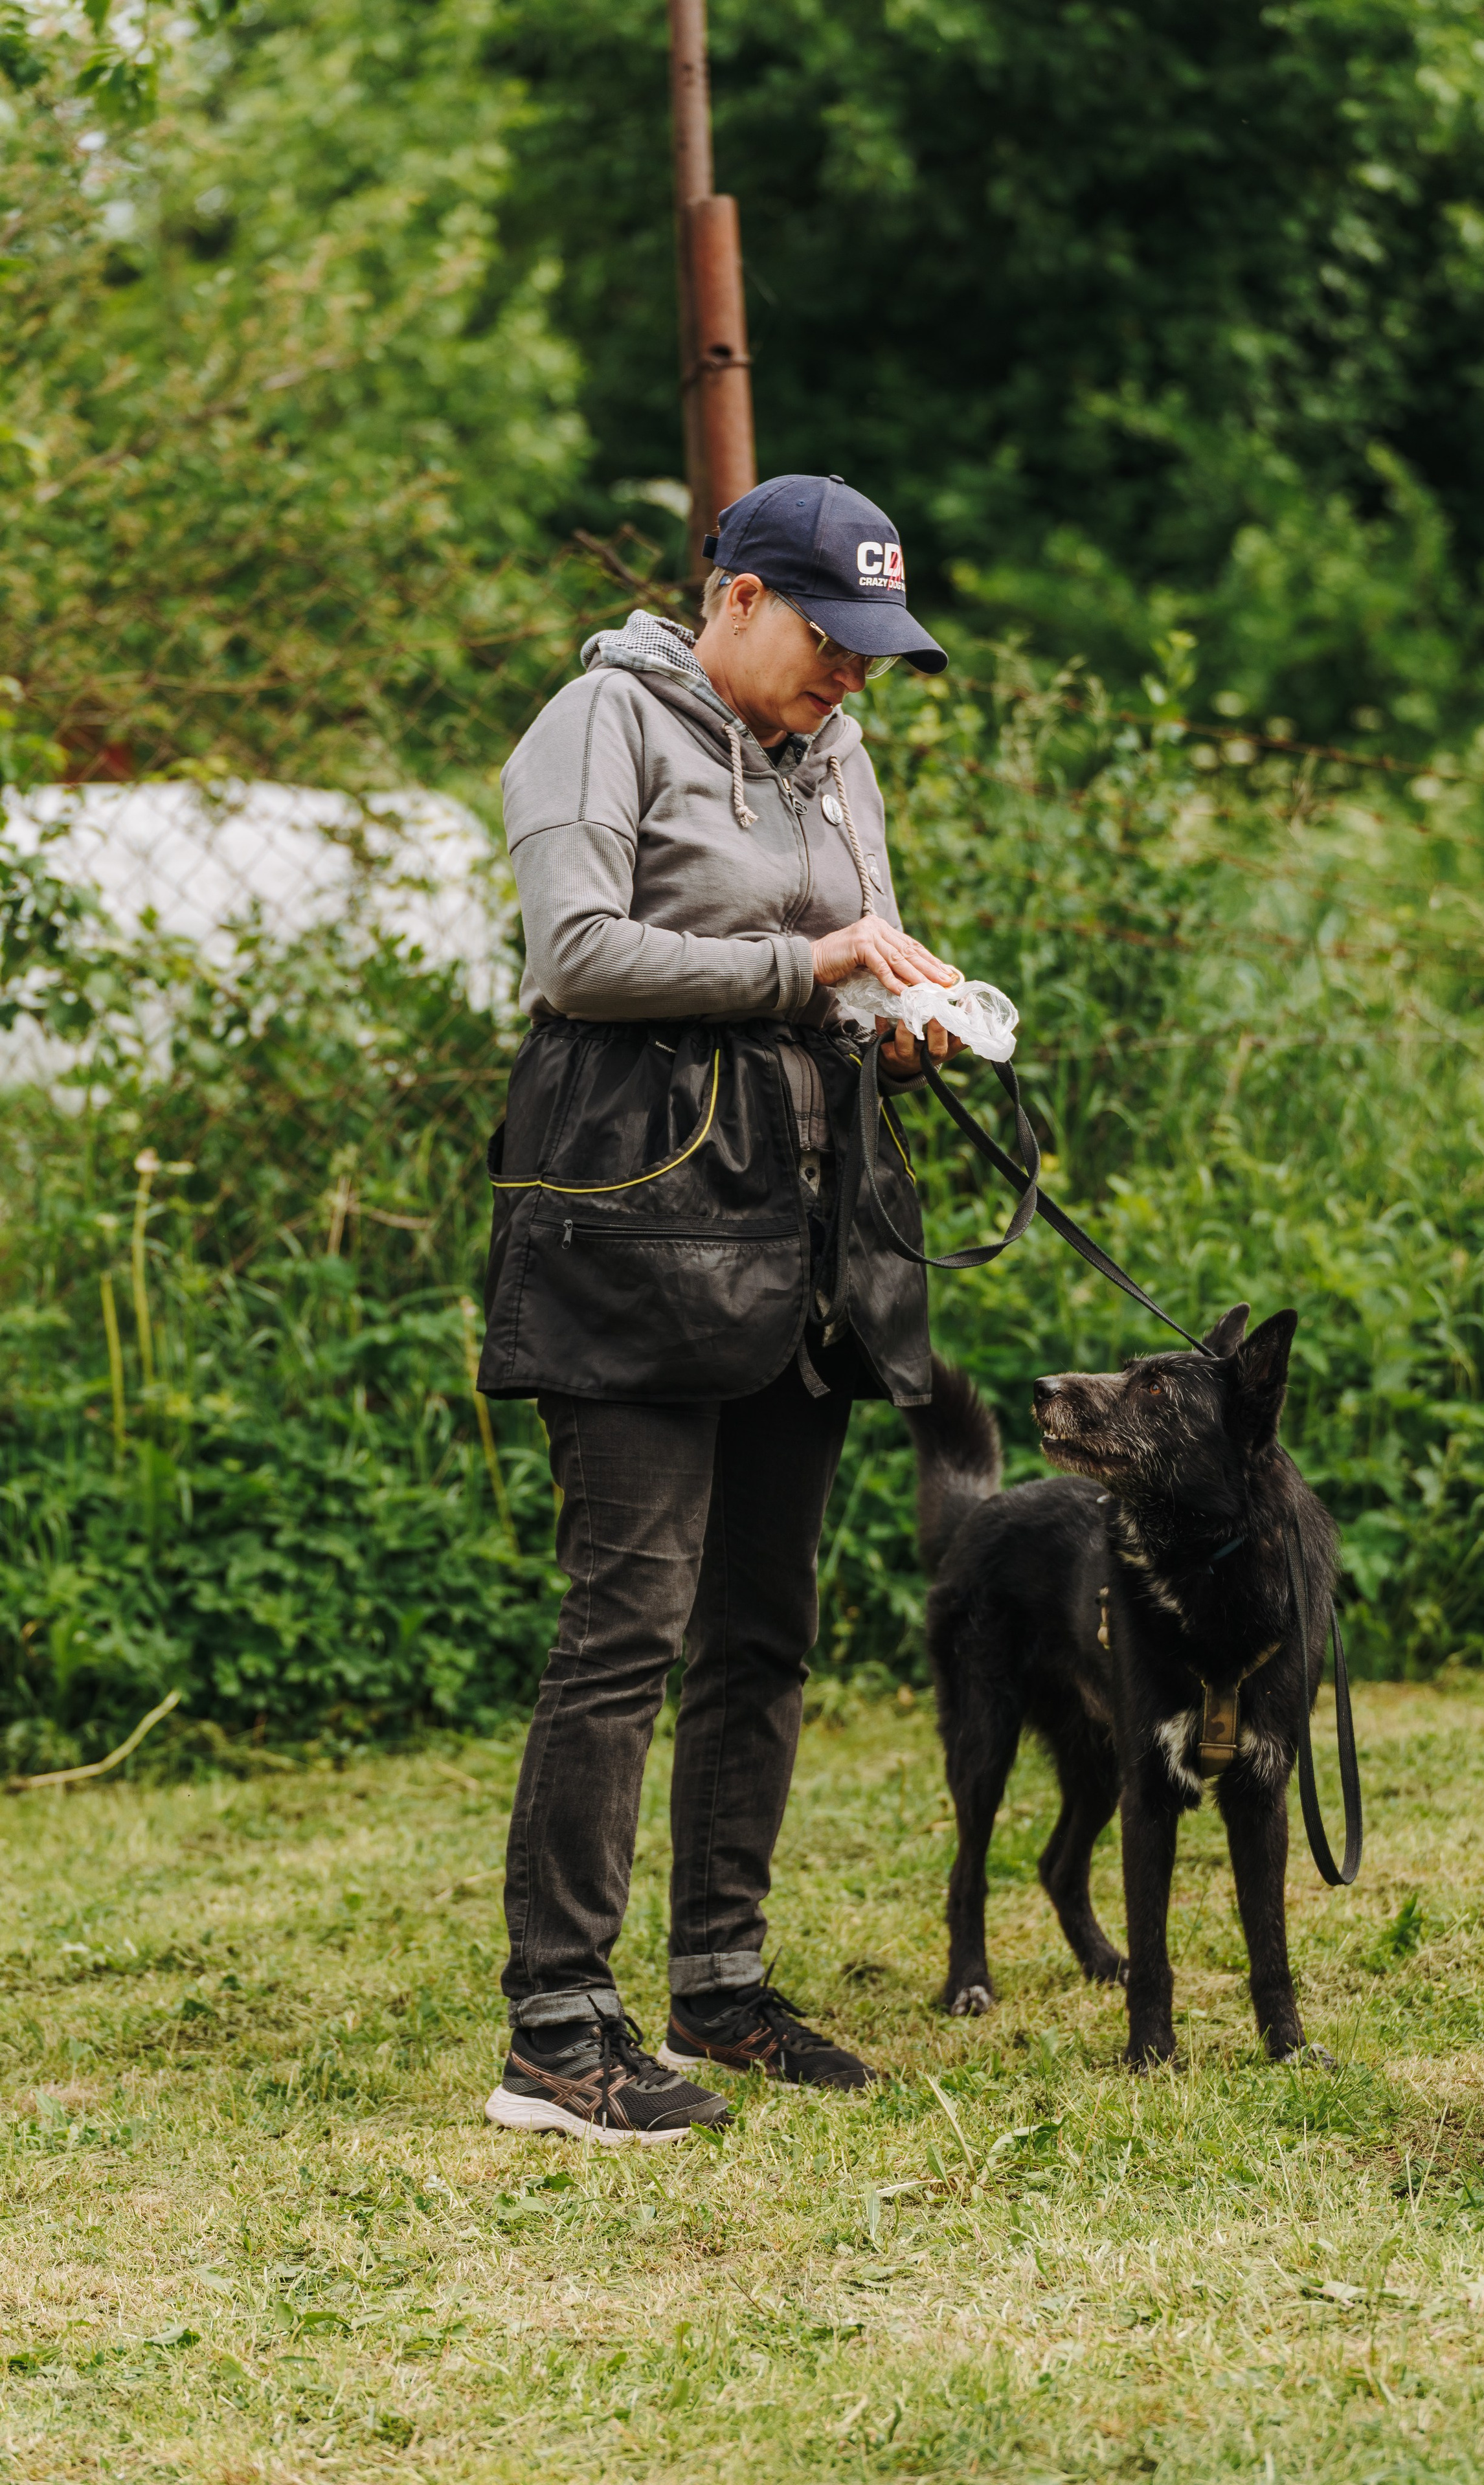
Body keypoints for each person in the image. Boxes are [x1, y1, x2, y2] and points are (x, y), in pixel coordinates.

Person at [476, 474, 959, 2143]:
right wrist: (811, 971)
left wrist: (901, 1019)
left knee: (765, 1624)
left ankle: (724, 1986)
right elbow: (579, 959)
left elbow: (852, 951)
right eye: (834, 643)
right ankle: (558, 2026)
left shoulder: (838, 754)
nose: (855, 681)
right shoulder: (599, 722)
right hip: (631, 1220)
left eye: (877, 655)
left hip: (809, 1225)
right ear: (736, 596)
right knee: (629, 1624)